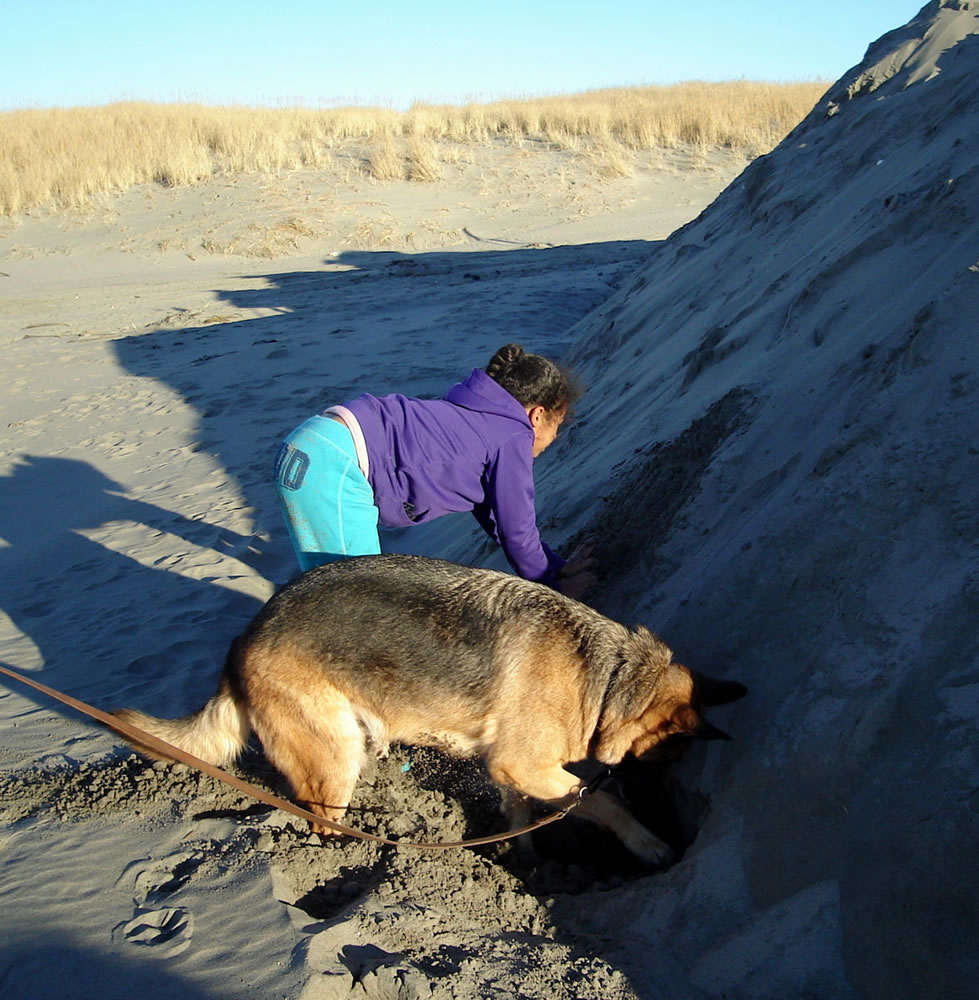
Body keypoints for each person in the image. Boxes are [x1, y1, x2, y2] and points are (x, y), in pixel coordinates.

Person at [273, 343, 595, 596]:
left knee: (326, 596)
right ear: (537, 415)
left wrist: (556, 568)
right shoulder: (513, 434)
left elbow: (499, 523)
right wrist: (555, 590)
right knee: (357, 603)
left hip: (312, 444)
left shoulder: (477, 414)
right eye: (558, 426)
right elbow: (517, 531)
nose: (553, 438)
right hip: (337, 465)